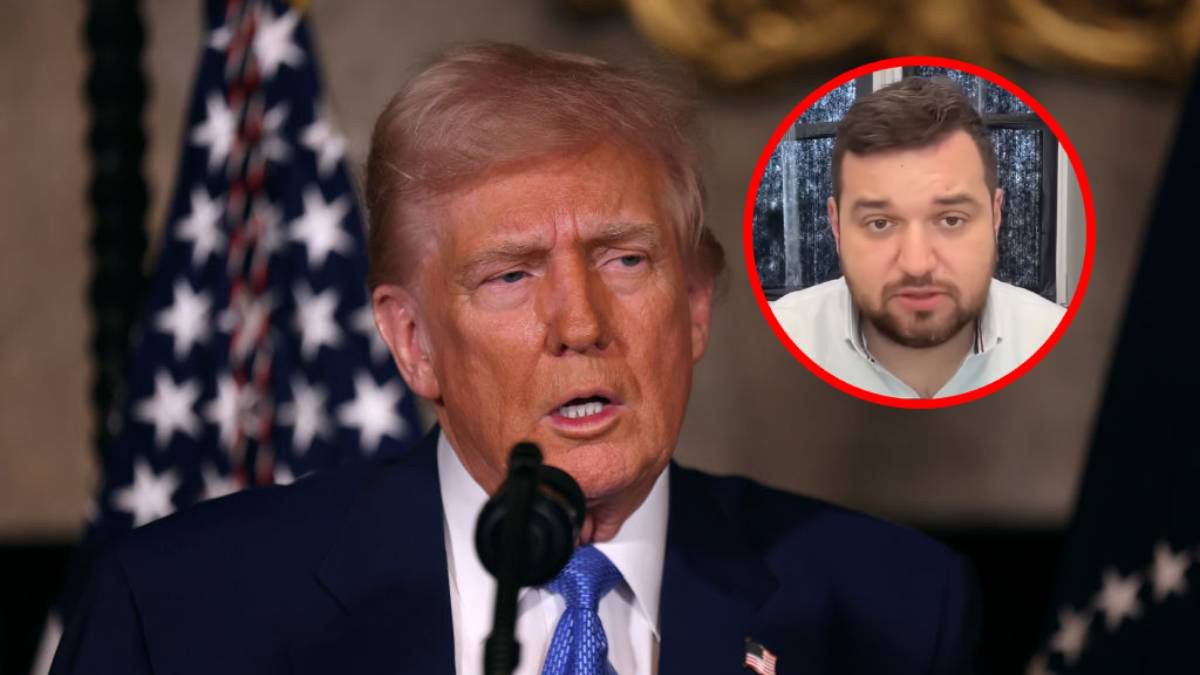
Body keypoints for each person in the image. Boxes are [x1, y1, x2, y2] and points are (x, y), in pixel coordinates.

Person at [51, 44, 976, 675]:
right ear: (413, 342)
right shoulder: (181, 618)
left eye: (625, 259)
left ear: (695, 305)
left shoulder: (894, 614)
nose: (579, 323)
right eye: (508, 276)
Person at [770, 77, 1066, 399]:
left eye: (951, 220)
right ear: (836, 225)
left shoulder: (1067, 350)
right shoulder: (772, 349)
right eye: (880, 223)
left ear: (996, 216)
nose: (917, 265)